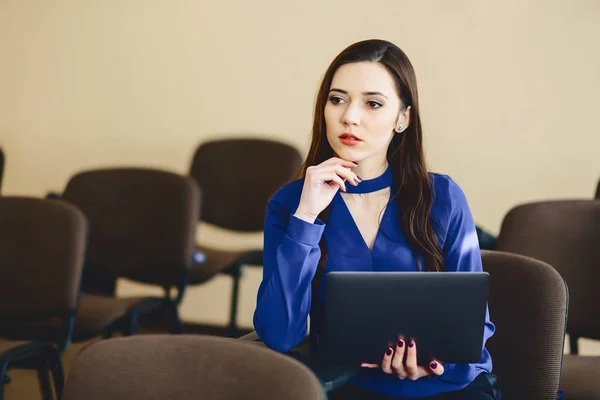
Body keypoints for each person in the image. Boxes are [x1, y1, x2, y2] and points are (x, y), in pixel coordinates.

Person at [253, 39, 501, 400]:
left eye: (373, 103)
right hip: (345, 386)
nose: (349, 116)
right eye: (337, 99)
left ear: (403, 118)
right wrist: (305, 217)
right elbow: (279, 334)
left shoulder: (443, 197)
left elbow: (474, 329)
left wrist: (436, 363)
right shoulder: (290, 203)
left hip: (443, 387)